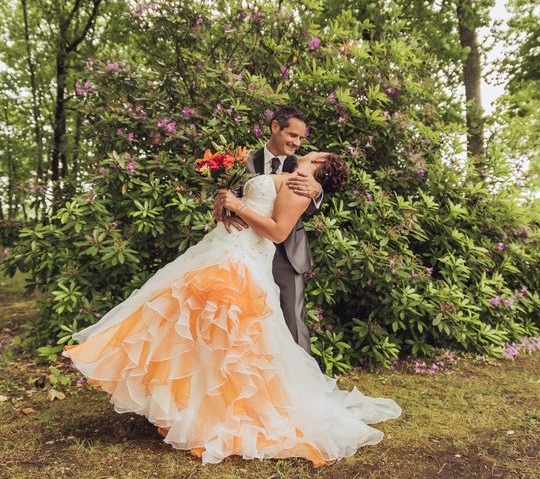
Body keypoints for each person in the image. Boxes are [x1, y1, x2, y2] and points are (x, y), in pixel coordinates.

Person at [62, 151, 402, 467]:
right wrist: (225, 199)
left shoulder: (302, 185)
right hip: (225, 246)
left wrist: (240, 206)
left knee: (229, 335)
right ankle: (188, 408)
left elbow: (279, 231)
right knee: (194, 323)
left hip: (243, 258)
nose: (308, 148)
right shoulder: (277, 168)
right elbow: (248, 195)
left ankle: (217, 416)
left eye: (317, 154)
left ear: (320, 166)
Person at [215, 106, 320, 353]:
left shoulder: (303, 166)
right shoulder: (242, 159)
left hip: (287, 252)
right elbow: (224, 194)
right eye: (292, 135)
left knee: (294, 320)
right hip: (246, 249)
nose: (296, 143)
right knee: (244, 316)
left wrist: (317, 193)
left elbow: (318, 191)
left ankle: (300, 384)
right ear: (275, 127)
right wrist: (224, 217)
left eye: (301, 138)